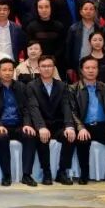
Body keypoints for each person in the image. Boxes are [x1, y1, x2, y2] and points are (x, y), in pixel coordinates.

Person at [65, 56, 105, 185]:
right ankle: (84, 175)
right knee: (83, 141)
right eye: (87, 68)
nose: (91, 70)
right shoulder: (73, 88)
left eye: (94, 68)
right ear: (81, 70)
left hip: (102, 126)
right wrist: (81, 128)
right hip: (84, 126)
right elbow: (72, 111)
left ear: (98, 70)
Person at [0, 58, 40, 186]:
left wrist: (27, 124)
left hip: (18, 125)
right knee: (1, 137)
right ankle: (6, 175)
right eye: (4, 70)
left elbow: (26, 108)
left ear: (14, 71)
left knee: (30, 135)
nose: (8, 73)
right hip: (1, 125)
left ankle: (27, 175)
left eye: (10, 70)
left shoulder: (21, 87)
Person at [27, 55, 70, 185]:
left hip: (57, 124)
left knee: (69, 136)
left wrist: (69, 126)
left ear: (54, 68)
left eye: (49, 66)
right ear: (38, 69)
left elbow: (66, 106)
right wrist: (41, 127)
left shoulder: (62, 86)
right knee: (42, 137)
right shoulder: (31, 86)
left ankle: (62, 172)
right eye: (43, 66)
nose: (46, 69)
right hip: (41, 123)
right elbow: (33, 107)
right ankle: (47, 172)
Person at [63, 0, 100, 83]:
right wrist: (69, 67)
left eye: (91, 9)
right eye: (85, 9)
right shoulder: (73, 29)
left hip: (95, 65)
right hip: (78, 66)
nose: (88, 11)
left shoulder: (99, 28)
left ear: (95, 12)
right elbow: (68, 49)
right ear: (81, 12)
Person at [23, 0, 66, 67]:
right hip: (36, 64)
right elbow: (28, 48)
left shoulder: (59, 26)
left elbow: (62, 47)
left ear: (51, 8)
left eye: (47, 7)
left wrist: (51, 60)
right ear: (36, 9)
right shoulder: (31, 27)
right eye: (40, 7)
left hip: (56, 64)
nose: (44, 10)